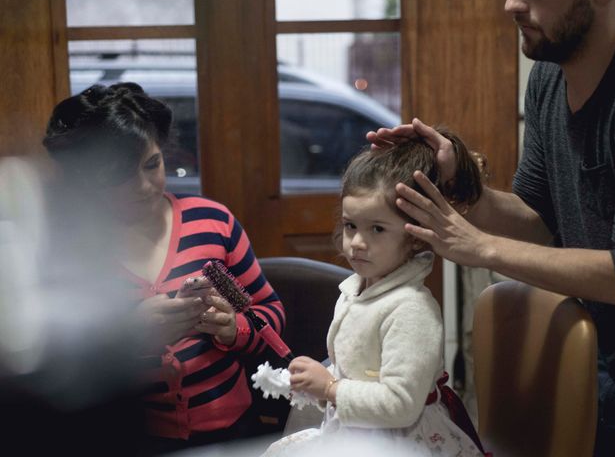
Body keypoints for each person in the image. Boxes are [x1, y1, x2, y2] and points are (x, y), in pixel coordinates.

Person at [367, 0, 615, 454]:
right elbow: (537, 217)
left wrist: (480, 247)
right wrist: (459, 185)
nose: (511, 2)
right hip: (596, 359)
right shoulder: (549, 79)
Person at [41, 82, 285, 454]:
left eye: (152, 164)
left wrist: (232, 328)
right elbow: (53, 369)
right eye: (119, 176)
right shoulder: (73, 252)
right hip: (130, 441)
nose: (143, 186)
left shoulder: (212, 222)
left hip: (236, 432)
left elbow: (269, 313)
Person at [263, 135, 488, 456]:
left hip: (402, 440)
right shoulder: (355, 290)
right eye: (351, 226)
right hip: (356, 430)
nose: (356, 242)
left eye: (377, 229)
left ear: (415, 237)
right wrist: (320, 379)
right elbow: (357, 366)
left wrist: (330, 388)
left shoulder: (411, 310)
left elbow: (401, 404)